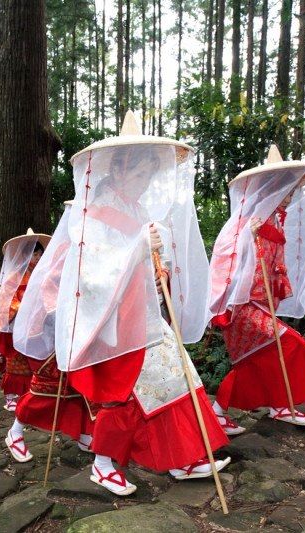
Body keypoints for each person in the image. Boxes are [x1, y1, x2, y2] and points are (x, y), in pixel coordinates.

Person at [54, 112, 230, 496]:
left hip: (145, 314)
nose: (145, 181)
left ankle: (182, 457)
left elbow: (145, 269)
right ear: (117, 172)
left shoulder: (136, 211)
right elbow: (91, 273)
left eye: (150, 174)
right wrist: (138, 249)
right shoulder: (91, 214)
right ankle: (102, 464)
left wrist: (157, 263)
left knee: (177, 378)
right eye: (139, 174)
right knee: (127, 392)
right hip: (114, 319)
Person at [208, 145, 305, 428]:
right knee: (285, 344)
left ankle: (231, 411)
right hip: (240, 306)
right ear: (273, 188)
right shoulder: (245, 221)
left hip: (259, 303)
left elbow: (275, 266)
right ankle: (277, 406)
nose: (291, 195)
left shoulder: (277, 222)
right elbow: (223, 256)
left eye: (293, 189)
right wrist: (247, 236)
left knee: (258, 357)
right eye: (287, 189)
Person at [6, 201, 96, 463]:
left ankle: (84, 432)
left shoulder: (92, 250)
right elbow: (49, 290)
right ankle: (16, 431)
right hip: (51, 331)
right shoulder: (62, 253)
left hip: (80, 329)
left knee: (80, 386)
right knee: (47, 386)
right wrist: (63, 318)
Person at [0, 228, 51, 411]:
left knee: (34, 359)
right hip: (18, 323)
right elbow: (7, 301)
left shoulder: (41, 277)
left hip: (37, 324)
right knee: (16, 361)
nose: (38, 258)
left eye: (40, 254)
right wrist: (21, 308)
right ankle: (11, 396)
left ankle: (32, 393)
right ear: (25, 256)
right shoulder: (14, 278)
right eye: (34, 254)